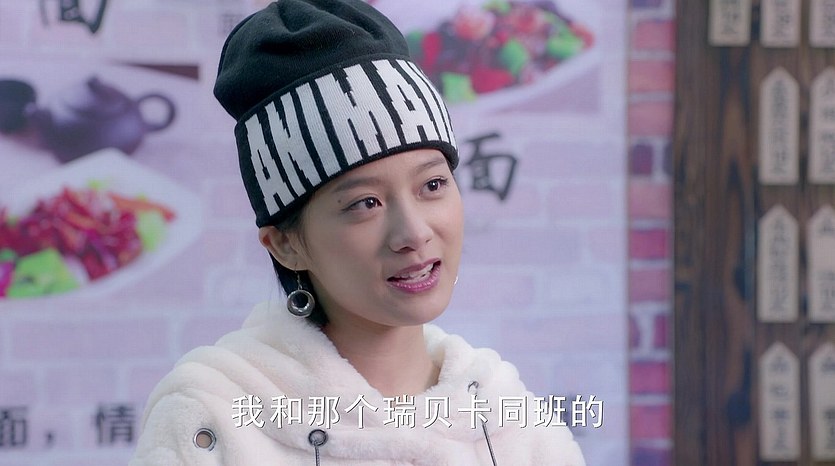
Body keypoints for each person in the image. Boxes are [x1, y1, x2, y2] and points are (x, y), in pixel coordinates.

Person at [130, 1, 585, 464]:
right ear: (285, 244)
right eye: (365, 203)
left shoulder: (512, 420)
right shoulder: (211, 422)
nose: (414, 233)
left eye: (432, 185)